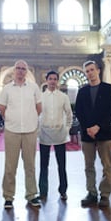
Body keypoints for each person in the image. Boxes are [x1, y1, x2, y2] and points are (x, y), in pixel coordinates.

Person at [0, 60, 42, 209]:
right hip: (12, 131)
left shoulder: (34, 88)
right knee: (10, 166)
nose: (21, 71)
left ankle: (31, 195)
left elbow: (39, 107)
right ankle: (8, 197)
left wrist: (30, 119)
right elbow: (2, 108)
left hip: (30, 130)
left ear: (27, 71)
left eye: (24, 69)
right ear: (14, 71)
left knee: (30, 166)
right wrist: (12, 119)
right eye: (18, 68)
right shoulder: (7, 89)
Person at [75, 60, 111, 208]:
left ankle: (105, 195)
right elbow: (79, 112)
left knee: (106, 165)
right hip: (87, 135)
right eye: (87, 71)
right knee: (88, 166)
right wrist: (88, 128)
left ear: (98, 70)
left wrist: (98, 127)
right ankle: (91, 193)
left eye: (92, 70)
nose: (89, 73)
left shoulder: (109, 89)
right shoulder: (82, 91)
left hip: (104, 133)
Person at [38, 71, 73, 201]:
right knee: (43, 164)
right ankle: (43, 190)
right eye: (50, 79)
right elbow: (37, 115)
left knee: (61, 164)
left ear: (57, 81)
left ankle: (63, 190)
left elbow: (69, 115)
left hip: (60, 134)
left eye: (55, 79)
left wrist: (67, 129)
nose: (52, 81)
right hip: (44, 134)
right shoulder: (40, 97)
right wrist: (38, 131)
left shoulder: (63, 97)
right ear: (46, 80)